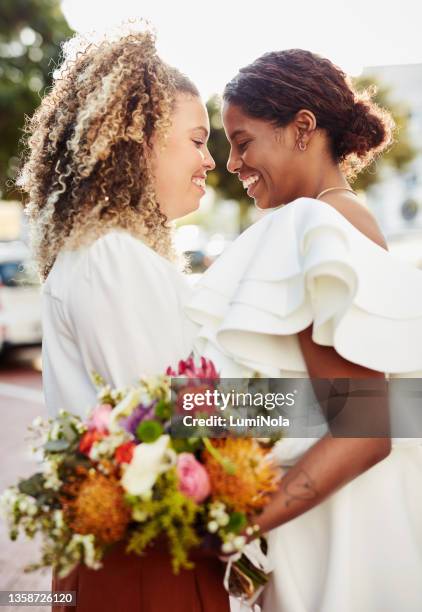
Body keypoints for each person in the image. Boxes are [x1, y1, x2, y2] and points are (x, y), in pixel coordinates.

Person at [185, 49, 422, 612]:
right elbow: (345, 402)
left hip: (336, 532)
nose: (234, 164)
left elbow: (364, 425)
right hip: (352, 515)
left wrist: (237, 522)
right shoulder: (342, 218)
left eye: (243, 143)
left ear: (302, 129)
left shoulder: (315, 224)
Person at [19, 27, 230, 612]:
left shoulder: (105, 251)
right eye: (196, 139)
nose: (209, 161)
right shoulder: (112, 256)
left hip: (135, 552)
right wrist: (349, 406)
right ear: (140, 139)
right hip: (142, 564)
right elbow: (172, 416)